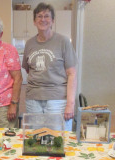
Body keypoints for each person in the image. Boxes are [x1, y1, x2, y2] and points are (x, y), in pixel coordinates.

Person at [22, 3, 77, 131]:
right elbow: (28, 69)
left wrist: (70, 104)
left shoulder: (63, 42)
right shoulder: (29, 44)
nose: (43, 19)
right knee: (35, 140)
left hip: (57, 100)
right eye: (39, 16)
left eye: (47, 16)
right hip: (33, 99)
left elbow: (72, 74)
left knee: (57, 140)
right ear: (34, 21)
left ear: (53, 20)